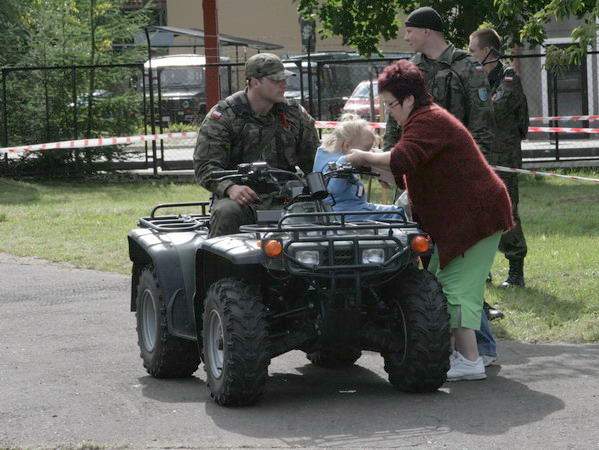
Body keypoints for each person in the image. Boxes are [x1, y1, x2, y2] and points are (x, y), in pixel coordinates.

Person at [346, 60, 514, 381]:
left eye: (391, 105)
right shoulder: (423, 121)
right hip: (461, 218)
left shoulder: (429, 120)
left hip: (474, 218)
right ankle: (462, 353)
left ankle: (470, 361)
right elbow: (412, 169)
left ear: (409, 99)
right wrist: (375, 169)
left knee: (454, 289)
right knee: (436, 284)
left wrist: (362, 156)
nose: (388, 112)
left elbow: (401, 158)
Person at [194, 53, 320, 237]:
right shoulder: (225, 116)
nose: (284, 85)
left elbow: (313, 161)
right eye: (276, 80)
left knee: (322, 211)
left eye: (284, 79)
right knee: (227, 213)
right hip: (241, 197)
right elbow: (205, 167)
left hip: (285, 195)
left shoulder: (294, 114)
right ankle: (218, 265)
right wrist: (230, 188)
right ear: (254, 82)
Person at [382, 6, 495, 155]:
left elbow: (482, 122)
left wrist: (471, 163)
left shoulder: (466, 66)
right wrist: (390, 160)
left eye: (410, 31)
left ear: (426, 31)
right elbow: (393, 121)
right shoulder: (409, 69)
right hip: (415, 160)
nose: (406, 38)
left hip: (454, 161)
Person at [469, 28, 529, 288]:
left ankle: (516, 271)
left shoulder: (508, 79)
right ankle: (483, 268)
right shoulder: (478, 78)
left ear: (487, 52)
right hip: (481, 157)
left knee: (506, 213)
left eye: (472, 51)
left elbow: (493, 110)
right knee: (480, 213)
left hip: (504, 157)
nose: (470, 55)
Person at [312, 113, 404, 221]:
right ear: (347, 146)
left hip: (348, 210)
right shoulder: (334, 163)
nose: (367, 154)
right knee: (397, 213)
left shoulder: (330, 157)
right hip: (343, 212)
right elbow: (334, 189)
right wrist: (345, 161)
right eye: (366, 150)